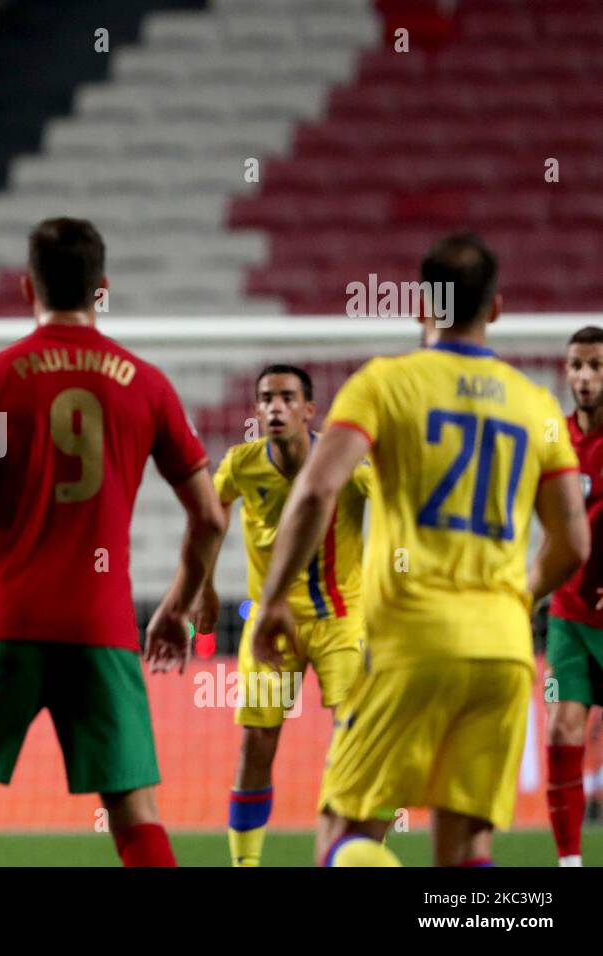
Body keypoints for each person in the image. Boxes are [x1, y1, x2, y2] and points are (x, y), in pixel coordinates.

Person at [0, 217, 227, 867]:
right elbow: (211, 518)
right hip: (99, 627)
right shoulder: (148, 384)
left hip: (3, 622)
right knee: (134, 814)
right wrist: (180, 605)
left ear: (26, 286)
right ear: (101, 288)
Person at [250, 232, 589, 866]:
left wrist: (272, 600)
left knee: (342, 832)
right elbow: (573, 541)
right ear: (496, 310)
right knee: (466, 847)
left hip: (410, 641)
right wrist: (514, 597)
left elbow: (317, 489)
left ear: (420, 306)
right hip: (504, 650)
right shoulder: (538, 404)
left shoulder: (385, 384)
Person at [197, 365, 371, 866]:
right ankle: (245, 863)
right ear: (256, 410)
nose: (275, 406)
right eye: (266, 398)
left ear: (309, 410)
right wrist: (205, 586)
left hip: (340, 619)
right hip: (271, 627)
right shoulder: (241, 463)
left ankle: (358, 854)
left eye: (287, 397)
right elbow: (211, 513)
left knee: (358, 738)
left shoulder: (348, 466)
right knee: (257, 741)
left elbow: (397, 507)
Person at [544, 325, 603, 866]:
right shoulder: (554, 439)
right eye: (576, 366)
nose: (583, 377)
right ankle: (569, 864)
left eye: (595, 366)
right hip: (568, 614)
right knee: (561, 727)